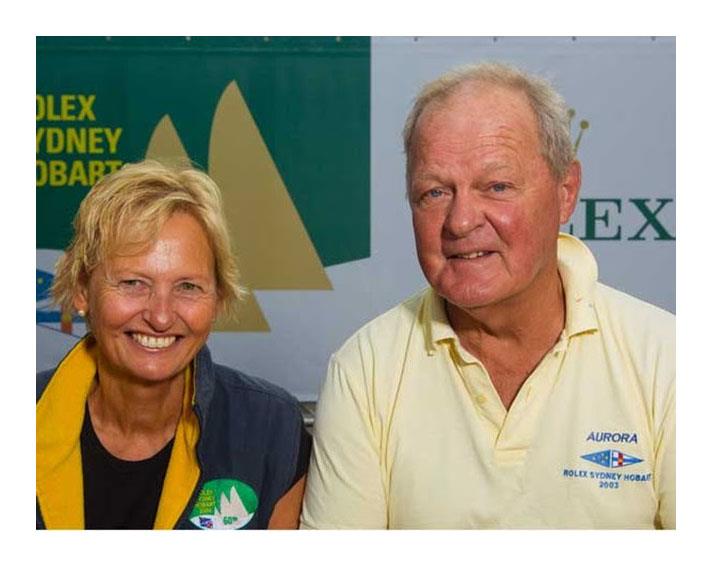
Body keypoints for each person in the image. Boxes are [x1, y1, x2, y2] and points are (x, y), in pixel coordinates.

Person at [300, 62, 675, 529]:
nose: (460, 221)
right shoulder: (365, 370)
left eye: (496, 186)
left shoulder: (671, 359)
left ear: (565, 191)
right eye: (434, 193)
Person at [37, 160, 310, 529]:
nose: (161, 316)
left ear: (218, 298)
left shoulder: (271, 430)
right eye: (133, 283)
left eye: (187, 287)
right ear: (83, 290)